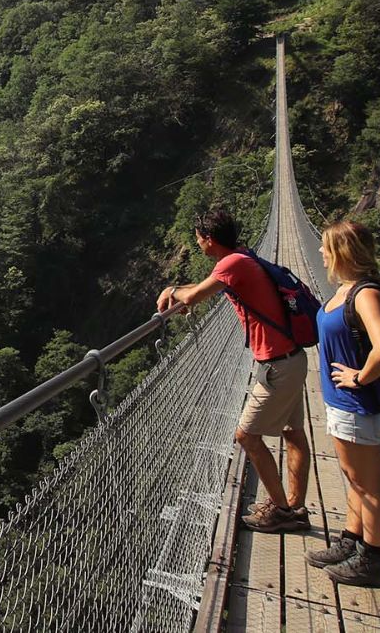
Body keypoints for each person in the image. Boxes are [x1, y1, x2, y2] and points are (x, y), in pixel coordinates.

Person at [158, 208, 312, 532]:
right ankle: (295, 506)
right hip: (290, 359)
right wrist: (180, 290)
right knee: (293, 432)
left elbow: (195, 295)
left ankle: (282, 511)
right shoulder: (241, 257)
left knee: (246, 436)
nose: (198, 243)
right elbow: (206, 285)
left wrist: (172, 292)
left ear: (209, 240)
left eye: (198, 239)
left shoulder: (232, 264)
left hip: (277, 367)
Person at [307, 220, 380, 587]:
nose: (320, 251)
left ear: (343, 252)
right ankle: (352, 540)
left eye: (326, 246)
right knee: (356, 479)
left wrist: (358, 377)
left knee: (369, 486)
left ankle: (371, 563)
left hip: (356, 404)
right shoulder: (348, 289)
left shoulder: (365, 294)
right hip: (345, 403)